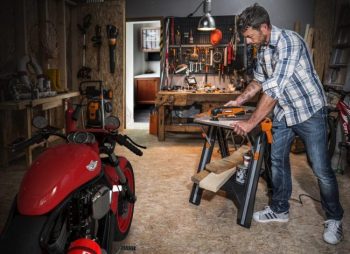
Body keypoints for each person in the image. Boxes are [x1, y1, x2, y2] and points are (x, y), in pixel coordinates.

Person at [225, 3, 344, 245]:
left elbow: (274, 91)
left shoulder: (290, 42)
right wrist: (238, 100)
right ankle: (279, 209)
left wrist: (249, 122)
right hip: (284, 111)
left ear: (265, 27)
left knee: (320, 168)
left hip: (309, 110)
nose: (247, 42)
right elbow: (259, 82)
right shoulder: (263, 48)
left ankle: (334, 219)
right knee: (277, 160)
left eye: (249, 36)